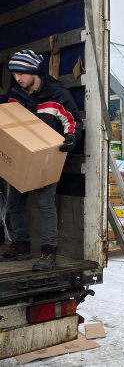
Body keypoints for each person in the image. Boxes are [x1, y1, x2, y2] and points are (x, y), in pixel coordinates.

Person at [0, 49, 82, 270]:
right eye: (14, 73)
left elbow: (72, 120)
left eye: (22, 73)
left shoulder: (55, 94)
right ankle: (21, 246)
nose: (18, 78)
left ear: (34, 71)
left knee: (46, 204)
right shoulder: (14, 95)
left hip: (47, 158)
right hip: (20, 159)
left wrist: (71, 138)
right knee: (13, 205)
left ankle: (48, 252)